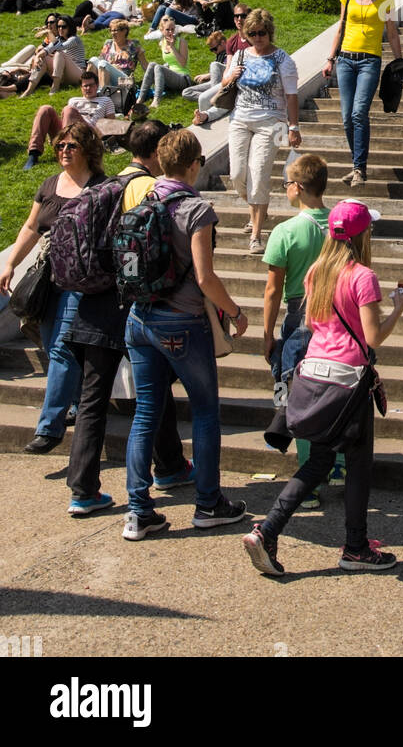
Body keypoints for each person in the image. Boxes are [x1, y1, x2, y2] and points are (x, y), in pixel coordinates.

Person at [243, 199, 403, 577]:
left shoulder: (316, 271)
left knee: (317, 461)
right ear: (362, 234)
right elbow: (373, 338)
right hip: (350, 384)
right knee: (358, 466)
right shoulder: (362, 276)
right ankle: (355, 547)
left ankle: (267, 529)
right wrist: (399, 307)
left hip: (315, 375)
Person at [123, 128, 250, 539]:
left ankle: (139, 510)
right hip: (182, 322)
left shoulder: (142, 197)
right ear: (194, 165)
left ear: (160, 161)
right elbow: (204, 276)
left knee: (146, 413)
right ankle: (209, 503)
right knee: (205, 412)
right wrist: (235, 311)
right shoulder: (196, 209)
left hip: (140, 317)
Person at [64, 121, 192, 516]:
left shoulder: (101, 185)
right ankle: (168, 467)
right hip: (127, 302)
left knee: (92, 400)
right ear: (157, 153)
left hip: (90, 302)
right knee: (154, 384)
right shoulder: (143, 187)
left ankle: (83, 490)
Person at [0, 122, 107, 452]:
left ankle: (50, 427)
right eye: (60, 146)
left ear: (87, 149)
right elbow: (31, 227)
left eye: (71, 146)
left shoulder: (102, 187)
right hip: (48, 280)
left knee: (61, 346)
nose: (63, 151)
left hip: (81, 281)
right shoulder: (49, 184)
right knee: (50, 344)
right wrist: (10, 263)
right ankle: (74, 402)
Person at [261, 153, 342, 507]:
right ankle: (336, 464)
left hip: (302, 318)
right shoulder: (343, 225)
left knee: (302, 400)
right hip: (340, 318)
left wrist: (268, 335)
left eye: (286, 185)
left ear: (297, 187)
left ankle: (309, 479)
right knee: (333, 394)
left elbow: (272, 289)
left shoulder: (286, 231)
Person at [222, 8, 302, 252]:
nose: (258, 38)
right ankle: (258, 210)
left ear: (270, 32)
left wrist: (293, 127)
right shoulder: (241, 56)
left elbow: (291, 96)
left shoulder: (282, 60)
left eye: (262, 33)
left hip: (272, 121)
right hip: (240, 118)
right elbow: (224, 83)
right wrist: (231, 76)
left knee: (259, 173)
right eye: (253, 33)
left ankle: (256, 234)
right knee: (237, 175)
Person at [322, 0, 402, 189]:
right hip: (346, 59)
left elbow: (392, 32)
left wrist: (399, 62)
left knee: (359, 113)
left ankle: (359, 168)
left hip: (370, 60)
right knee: (347, 118)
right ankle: (357, 163)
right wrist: (330, 58)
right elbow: (340, 27)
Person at [24, 67, 116, 170]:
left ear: (97, 86)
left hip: (88, 134)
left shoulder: (106, 100)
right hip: (68, 130)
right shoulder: (73, 100)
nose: (88, 88)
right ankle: (34, 154)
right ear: (81, 88)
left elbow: (111, 124)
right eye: (85, 86)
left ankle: (67, 153)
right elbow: (66, 120)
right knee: (45, 109)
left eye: (91, 85)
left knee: (69, 110)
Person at [132, 16, 191, 112]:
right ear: (162, 30)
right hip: (170, 78)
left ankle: (156, 100)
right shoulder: (162, 43)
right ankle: (140, 99)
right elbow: (170, 62)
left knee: (158, 67)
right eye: (168, 30)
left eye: (173, 29)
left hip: (183, 78)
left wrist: (172, 47)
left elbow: (183, 63)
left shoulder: (182, 42)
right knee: (152, 65)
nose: (171, 32)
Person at [20, 16, 87, 96]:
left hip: (78, 74)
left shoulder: (74, 39)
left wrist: (49, 33)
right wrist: (38, 57)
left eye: (64, 27)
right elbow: (47, 49)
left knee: (59, 53)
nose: (60, 29)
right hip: (64, 74)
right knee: (44, 57)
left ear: (70, 27)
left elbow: (60, 47)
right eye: (59, 27)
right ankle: (29, 90)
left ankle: (55, 87)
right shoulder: (58, 39)